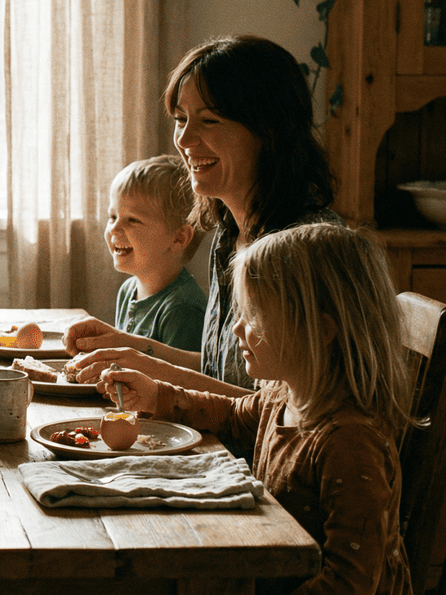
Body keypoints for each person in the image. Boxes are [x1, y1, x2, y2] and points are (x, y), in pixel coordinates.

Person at [101, 223, 415, 594]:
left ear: (321, 330)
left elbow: (349, 582)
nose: (236, 329)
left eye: (254, 316)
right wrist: (156, 395)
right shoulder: (284, 394)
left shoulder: (350, 442)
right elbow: (231, 415)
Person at [65, 35, 341, 397]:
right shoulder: (229, 236)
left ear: (269, 130)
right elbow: (222, 373)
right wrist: (131, 348)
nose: (184, 139)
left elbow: (277, 414)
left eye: (209, 121)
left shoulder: (300, 251)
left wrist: (149, 371)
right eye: (181, 119)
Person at [104, 154, 207, 352]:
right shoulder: (127, 291)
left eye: (132, 220)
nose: (114, 229)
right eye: (112, 216)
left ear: (179, 238)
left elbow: (184, 381)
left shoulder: (182, 309)